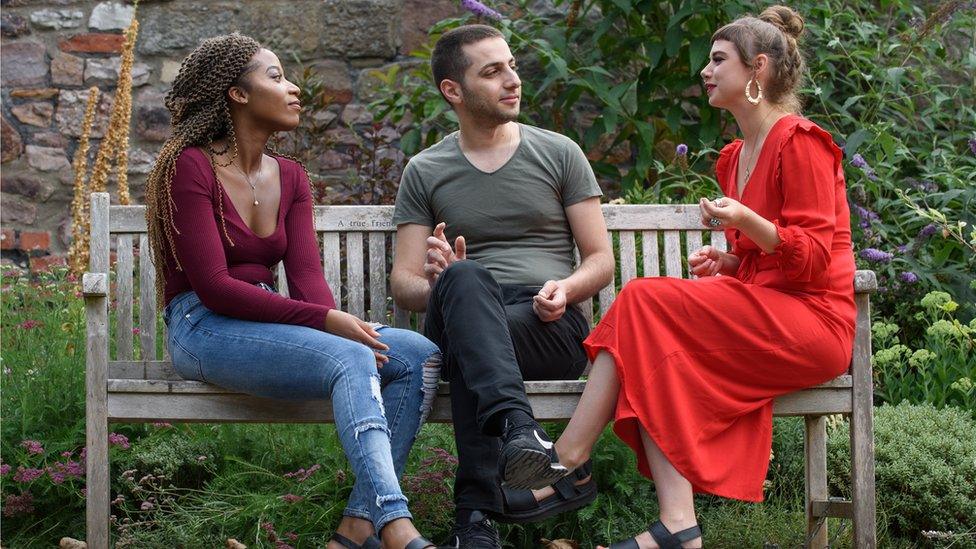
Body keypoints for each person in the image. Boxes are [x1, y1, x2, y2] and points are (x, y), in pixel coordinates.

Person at [509, 6, 858, 548]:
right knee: (647, 337)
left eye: (719, 60)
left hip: (815, 325)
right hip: (768, 310)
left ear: (757, 69)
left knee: (644, 301)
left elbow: (813, 260)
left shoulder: (802, 143)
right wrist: (732, 262)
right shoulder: (734, 157)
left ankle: (571, 460)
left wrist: (743, 221)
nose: (706, 70)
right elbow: (770, 261)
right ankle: (676, 526)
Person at [144, 33, 442, 549]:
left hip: (269, 326)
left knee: (418, 356)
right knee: (350, 358)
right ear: (237, 93)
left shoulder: (292, 177)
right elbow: (215, 289)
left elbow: (308, 284)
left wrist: (336, 325)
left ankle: (354, 530)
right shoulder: (189, 166)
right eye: (276, 77)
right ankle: (396, 526)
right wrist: (332, 328)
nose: (294, 89)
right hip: (203, 328)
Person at [390, 24, 614, 548]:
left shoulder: (559, 153)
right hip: (467, 314)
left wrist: (567, 288)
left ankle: (474, 519)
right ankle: (521, 434)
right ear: (453, 90)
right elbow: (404, 283)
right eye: (492, 72)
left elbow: (600, 259)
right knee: (467, 279)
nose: (512, 80)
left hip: (546, 322)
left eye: (511, 66)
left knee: (475, 347)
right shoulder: (426, 170)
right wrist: (440, 284)